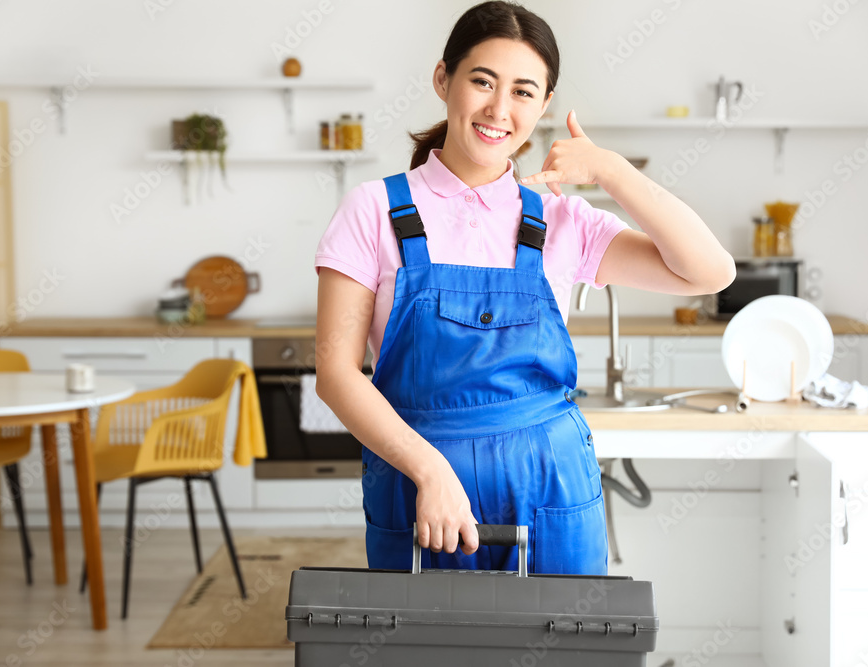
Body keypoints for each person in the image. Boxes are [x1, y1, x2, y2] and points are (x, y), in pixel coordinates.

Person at [314, 1, 734, 575]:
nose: (498, 109)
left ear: (544, 106)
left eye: (522, 91)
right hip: (419, 490)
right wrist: (431, 471)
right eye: (482, 81)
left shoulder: (563, 221)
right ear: (444, 80)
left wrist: (612, 171)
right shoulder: (373, 209)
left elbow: (710, 272)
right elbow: (336, 374)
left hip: (551, 485)